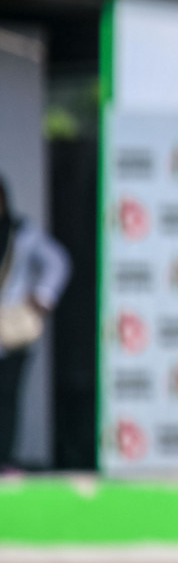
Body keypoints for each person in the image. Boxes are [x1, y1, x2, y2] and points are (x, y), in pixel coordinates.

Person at [0, 174, 71, 470]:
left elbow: (57, 262)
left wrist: (42, 295)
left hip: (11, 330)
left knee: (6, 398)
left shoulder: (23, 233)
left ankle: (2, 459)